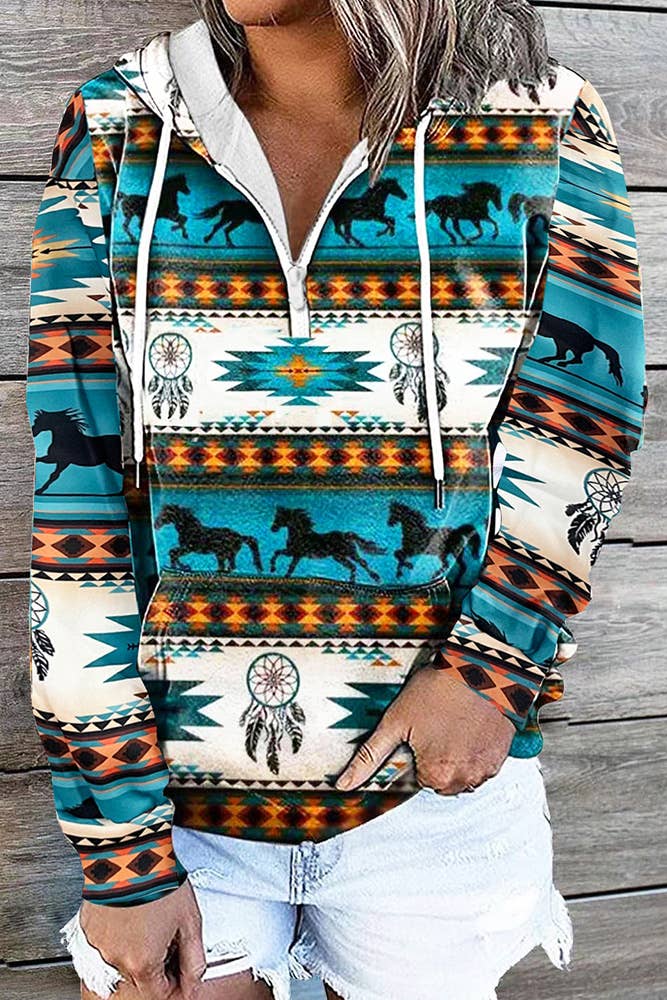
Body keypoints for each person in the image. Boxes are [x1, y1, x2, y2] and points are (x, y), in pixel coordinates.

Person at [26, 1, 648, 998]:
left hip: (435, 794)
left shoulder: (541, 123)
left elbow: (580, 428)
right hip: (179, 804)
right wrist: (119, 847)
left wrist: (493, 669)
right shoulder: (116, 125)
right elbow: (77, 494)